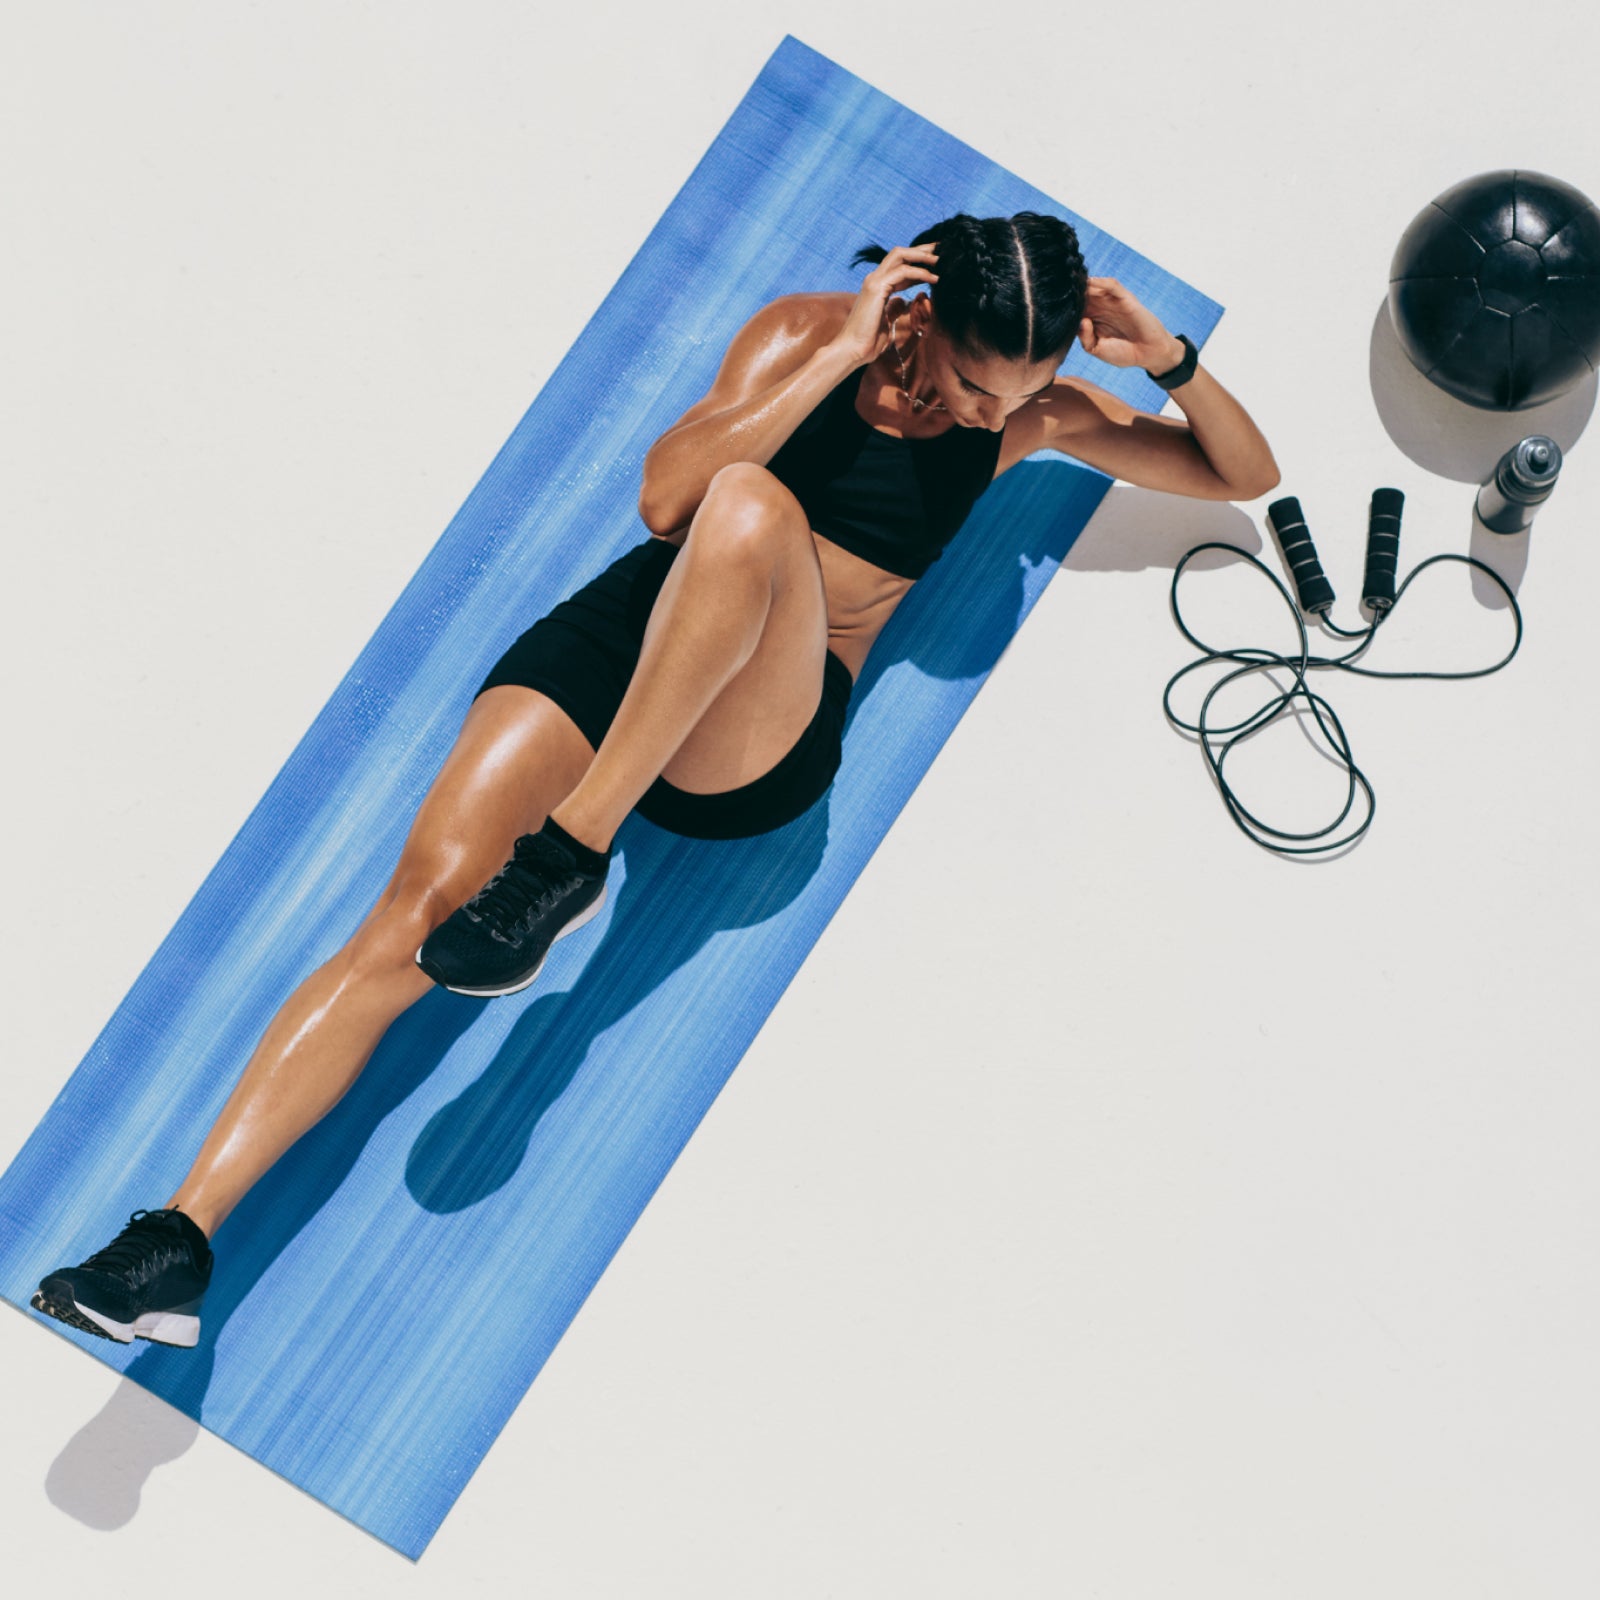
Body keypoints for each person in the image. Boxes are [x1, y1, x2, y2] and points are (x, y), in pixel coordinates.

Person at [32, 211, 1279, 1348]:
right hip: (623, 645)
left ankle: (569, 856)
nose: (981, 409)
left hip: (755, 736)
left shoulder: (1025, 422)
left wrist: (1165, 358)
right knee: (408, 918)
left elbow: (1240, 472)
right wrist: (834, 359)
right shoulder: (801, 336)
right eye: (965, 379)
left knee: (752, 512)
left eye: (1020, 385)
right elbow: (662, 500)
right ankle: (177, 1245)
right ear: (916, 313)